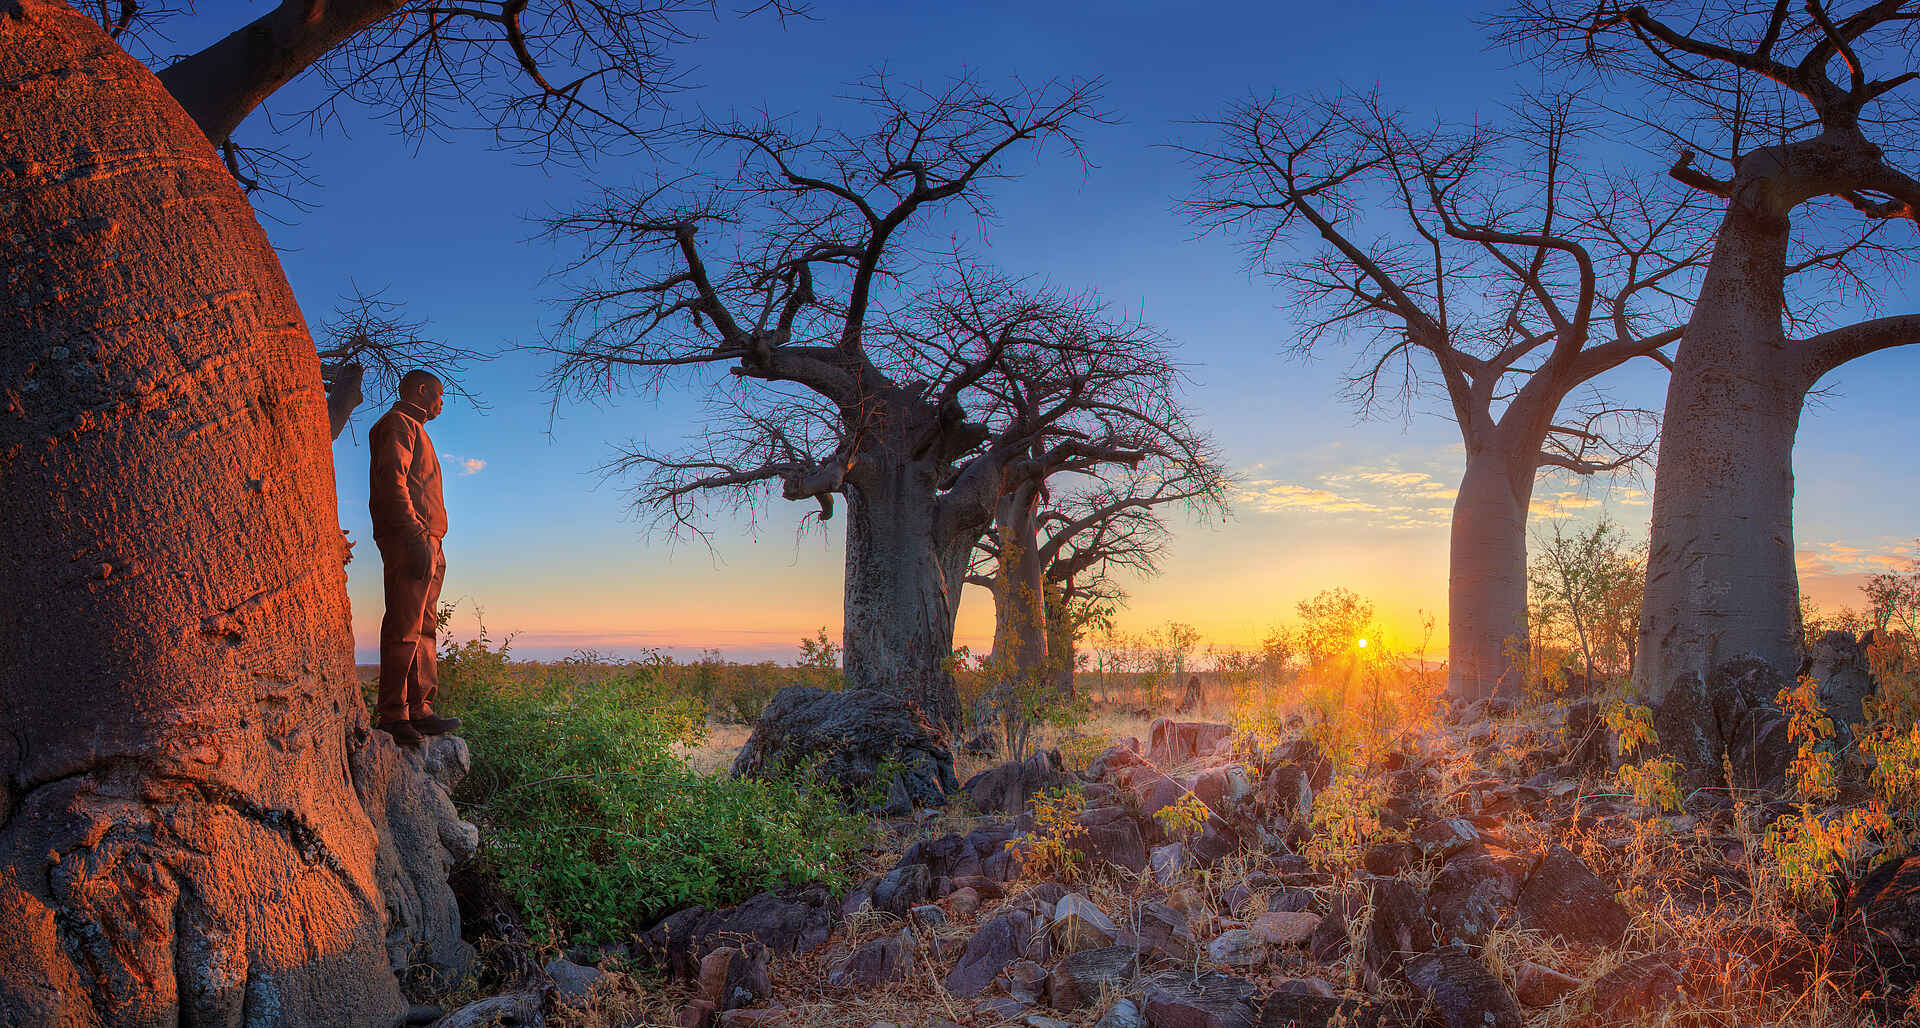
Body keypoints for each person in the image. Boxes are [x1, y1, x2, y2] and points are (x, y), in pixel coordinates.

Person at [368, 370, 462, 744]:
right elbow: (392, 480)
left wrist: (431, 539)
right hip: (413, 538)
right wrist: (414, 534)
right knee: (405, 626)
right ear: (422, 391)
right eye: (439, 395)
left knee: (424, 626)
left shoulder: (416, 429)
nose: (441, 403)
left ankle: (419, 709)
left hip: (431, 540)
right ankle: (393, 714)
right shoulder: (397, 423)